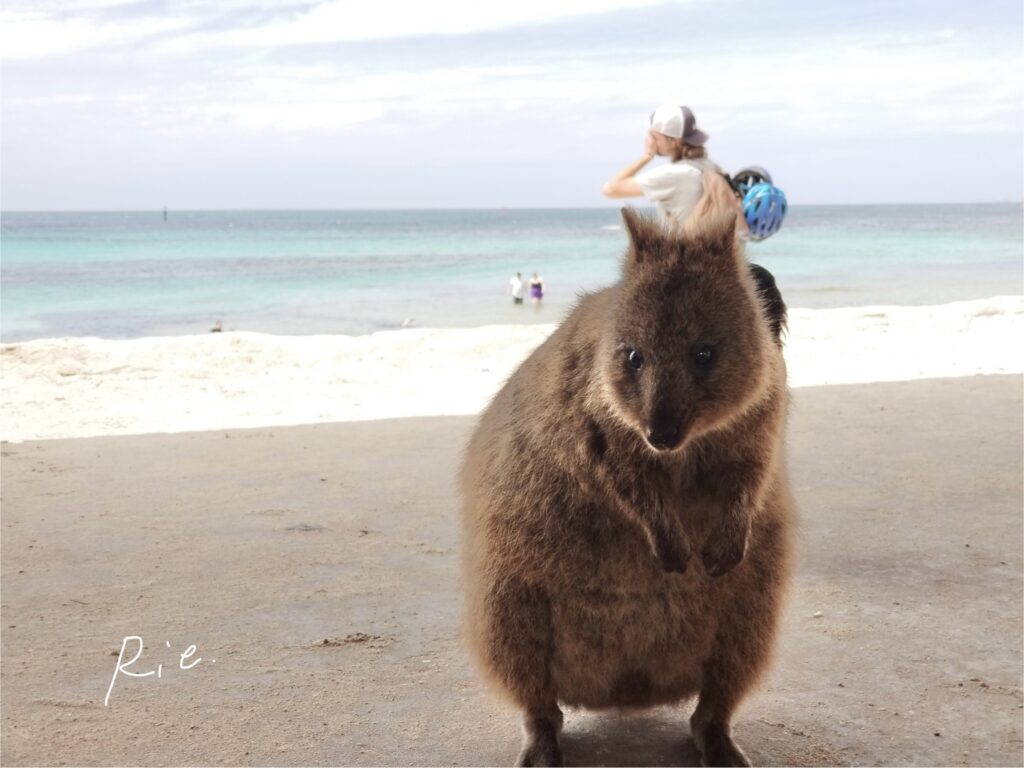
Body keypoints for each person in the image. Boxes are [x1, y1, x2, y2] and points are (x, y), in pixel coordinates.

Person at [602, 102, 745, 235]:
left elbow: (610, 190)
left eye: (654, 136)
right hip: (716, 257)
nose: (650, 139)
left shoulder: (673, 175)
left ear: (674, 141)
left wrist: (648, 155)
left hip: (685, 259)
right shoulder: (711, 166)